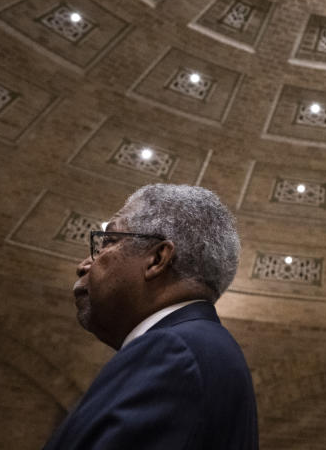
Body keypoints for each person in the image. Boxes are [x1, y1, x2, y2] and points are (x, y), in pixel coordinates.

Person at [43, 184, 258, 450]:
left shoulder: (172, 353)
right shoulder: (204, 349)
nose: (84, 265)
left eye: (108, 242)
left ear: (157, 259)